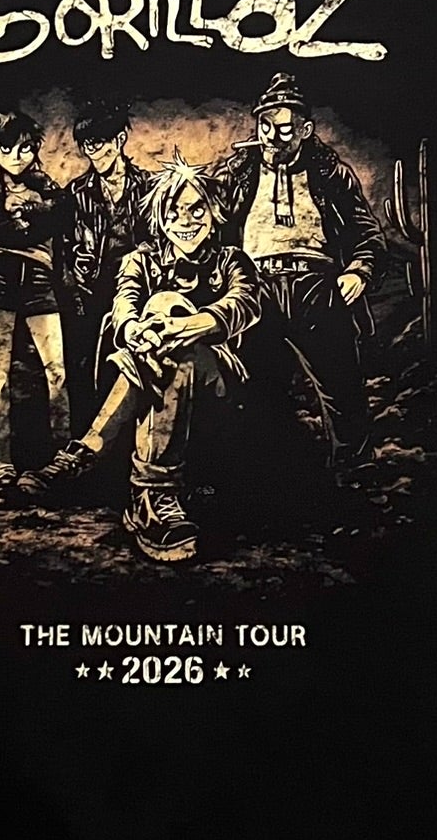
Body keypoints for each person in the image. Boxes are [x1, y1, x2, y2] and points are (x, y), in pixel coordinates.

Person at [14, 153, 261, 563]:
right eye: (174, 211)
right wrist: (135, 330)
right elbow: (124, 305)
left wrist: (183, 326)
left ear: (213, 212)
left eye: (196, 209)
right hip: (158, 371)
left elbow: (243, 304)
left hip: (218, 387)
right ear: (160, 216)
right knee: (169, 355)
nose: (186, 220)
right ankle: (153, 497)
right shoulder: (140, 259)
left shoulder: (232, 261)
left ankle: (87, 451)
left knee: (167, 317)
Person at [207, 70, 385, 471]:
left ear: (305, 130)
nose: (273, 137)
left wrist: (359, 271)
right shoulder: (236, 173)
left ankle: (354, 471)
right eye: (266, 127)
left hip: (317, 286)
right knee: (255, 386)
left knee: (341, 384)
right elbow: (210, 227)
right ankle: (271, 477)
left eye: (285, 129)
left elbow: (367, 234)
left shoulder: (330, 173)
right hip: (255, 287)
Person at [0, 110, 71, 501]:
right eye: (6, 148)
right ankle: (4, 468)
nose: (16, 157)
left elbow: (57, 222)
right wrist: (28, 221)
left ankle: (62, 462)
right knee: (0, 380)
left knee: (57, 373)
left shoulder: (51, 189)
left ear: (35, 148)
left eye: (24, 148)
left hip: (40, 283)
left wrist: (29, 213)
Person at [62, 99, 153, 425]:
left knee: (132, 365)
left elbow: (159, 239)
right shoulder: (76, 193)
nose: (92, 152)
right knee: (84, 366)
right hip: (91, 292)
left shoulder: (148, 187)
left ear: (119, 140)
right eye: (86, 145)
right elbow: (64, 246)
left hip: (137, 292)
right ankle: (84, 436)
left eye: (98, 143)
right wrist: (76, 269)